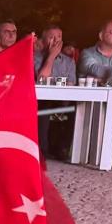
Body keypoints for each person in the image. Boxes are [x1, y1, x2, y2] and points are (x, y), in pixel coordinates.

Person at [34, 25, 77, 158]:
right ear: (43, 40)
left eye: (59, 37)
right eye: (51, 37)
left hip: (62, 101)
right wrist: (51, 56)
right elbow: (41, 79)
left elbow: (71, 84)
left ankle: (64, 149)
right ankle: (43, 150)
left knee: (77, 107)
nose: (56, 41)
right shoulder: (34, 58)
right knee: (44, 106)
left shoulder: (69, 62)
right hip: (40, 100)